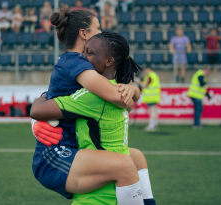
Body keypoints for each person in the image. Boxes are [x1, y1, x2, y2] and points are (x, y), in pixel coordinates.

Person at [30, 5, 156, 205]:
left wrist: (132, 89)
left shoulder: (79, 62)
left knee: (137, 157)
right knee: (124, 165)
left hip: (76, 146)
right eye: (97, 28)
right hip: (56, 154)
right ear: (83, 33)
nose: (101, 32)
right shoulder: (75, 62)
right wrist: (132, 90)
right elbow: (116, 97)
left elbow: (121, 97)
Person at [135, 67, 161, 131]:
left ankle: (152, 125)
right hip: (154, 96)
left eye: (145, 69)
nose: (145, 71)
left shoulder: (150, 75)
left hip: (151, 97)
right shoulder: (154, 75)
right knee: (154, 111)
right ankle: (154, 125)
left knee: (152, 111)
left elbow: (145, 85)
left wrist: (138, 82)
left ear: (148, 69)